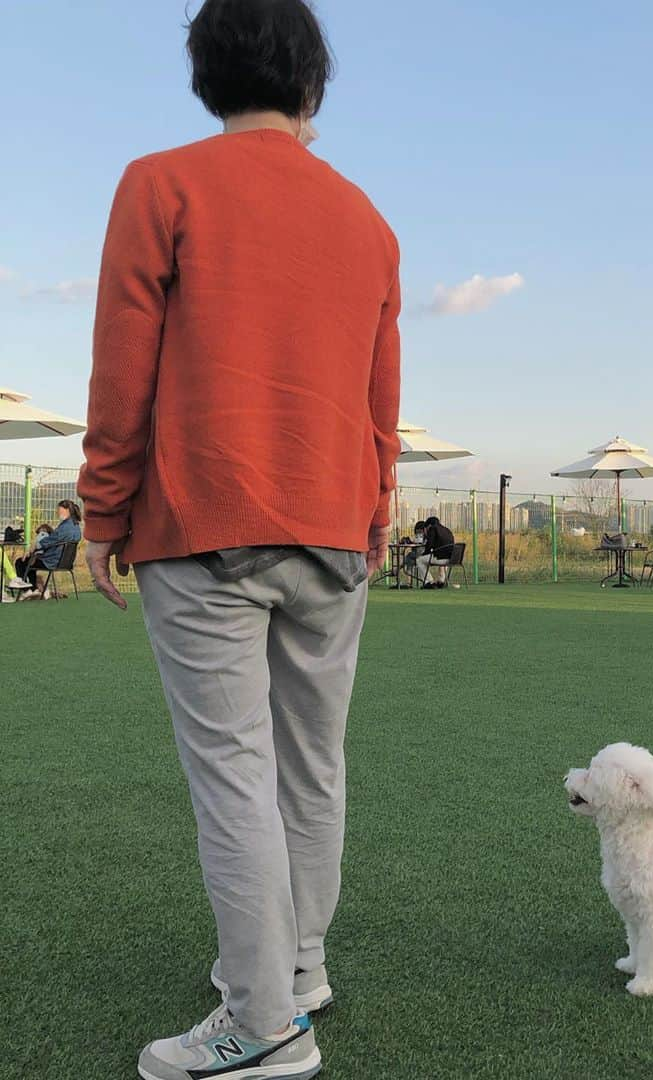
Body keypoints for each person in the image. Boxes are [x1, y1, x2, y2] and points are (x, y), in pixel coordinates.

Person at [76, 3, 401, 1077]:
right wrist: (376, 515)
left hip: (205, 514)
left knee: (234, 776)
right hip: (333, 527)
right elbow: (378, 400)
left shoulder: (161, 183)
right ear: (313, 83)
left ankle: (264, 1029)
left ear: (207, 75)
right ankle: (296, 969)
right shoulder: (367, 220)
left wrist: (101, 513)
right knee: (313, 767)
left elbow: (124, 369)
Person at [10, 501, 82, 597]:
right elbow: (55, 540)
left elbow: (51, 540)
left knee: (20, 562)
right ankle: (33, 589)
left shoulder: (65, 527)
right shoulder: (76, 526)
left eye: (59, 510)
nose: (57, 513)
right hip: (66, 562)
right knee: (31, 561)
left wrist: (34, 547)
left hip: (52, 561)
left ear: (67, 510)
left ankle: (28, 590)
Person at [415, 515, 455, 588]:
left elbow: (429, 546)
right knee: (438, 555)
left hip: (441, 558)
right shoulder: (447, 530)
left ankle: (429, 582)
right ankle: (441, 581)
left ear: (428, 526)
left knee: (419, 560)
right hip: (451, 559)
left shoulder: (432, 529)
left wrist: (423, 554)